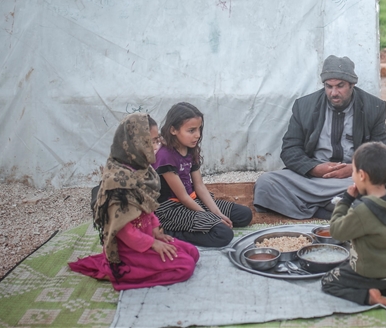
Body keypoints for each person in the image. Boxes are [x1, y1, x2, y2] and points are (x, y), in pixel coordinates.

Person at [253, 55, 386, 219]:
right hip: (312, 180)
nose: (334, 93)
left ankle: (318, 206)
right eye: (329, 86)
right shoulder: (304, 106)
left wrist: (353, 169)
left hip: (351, 178)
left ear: (352, 84)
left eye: (340, 86)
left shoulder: (374, 107)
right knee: (266, 184)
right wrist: (314, 168)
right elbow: (290, 150)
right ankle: (336, 207)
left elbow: (381, 153)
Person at [69, 113, 200, 290]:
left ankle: (149, 262)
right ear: (135, 143)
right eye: (151, 142)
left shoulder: (143, 170)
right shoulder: (118, 182)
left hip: (147, 235)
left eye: (157, 141)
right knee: (185, 267)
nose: (156, 147)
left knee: (193, 253)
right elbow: (123, 230)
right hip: (130, 248)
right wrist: (153, 244)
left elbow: (148, 207)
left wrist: (156, 232)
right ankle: (123, 272)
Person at [321, 142, 386, 309]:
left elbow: (336, 231)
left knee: (329, 280)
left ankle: (370, 297)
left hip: (370, 272)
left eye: (354, 172)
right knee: (346, 264)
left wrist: (346, 200)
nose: (353, 177)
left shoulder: (363, 211)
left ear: (362, 175)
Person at [152, 102, 252, 247]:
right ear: (173, 130)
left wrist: (217, 213)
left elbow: (199, 186)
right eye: (191, 130)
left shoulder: (191, 149)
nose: (197, 135)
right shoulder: (165, 156)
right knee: (223, 234)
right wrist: (211, 217)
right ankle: (171, 231)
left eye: (199, 129)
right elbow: (182, 197)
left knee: (244, 215)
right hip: (171, 208)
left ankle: (203, 223)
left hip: (193, 200)